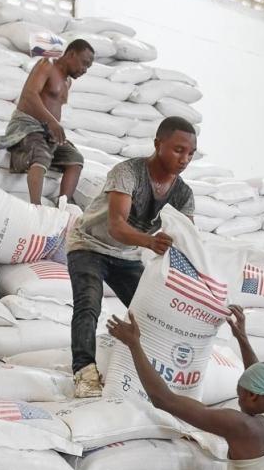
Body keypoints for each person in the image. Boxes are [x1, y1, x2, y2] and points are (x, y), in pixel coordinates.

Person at [107, 306, 264, 470]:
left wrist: (134, 345)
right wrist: (242, 338)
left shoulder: (245, 428)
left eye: (239, 397)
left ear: (252, 395)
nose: (239, 404)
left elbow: (164, 399)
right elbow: (263, 383)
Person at [67, 116, 197, 397]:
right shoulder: (128, 172)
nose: (184, 159)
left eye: (190, 153)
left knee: (154, 311)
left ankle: (148, 371)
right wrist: (151, 242)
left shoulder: (183, 194)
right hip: (89, 244)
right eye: (178, 150)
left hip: (127, 255)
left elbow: (187, 239)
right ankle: (84, 372)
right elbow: (116, 225)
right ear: (157, 144)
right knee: (89, 302)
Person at [0, 39, 95, 205]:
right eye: (84, 63)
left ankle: (63, 208)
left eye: (89, 67)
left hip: (48, 131)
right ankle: (36, 209)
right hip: (27, 125)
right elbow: (29, 95)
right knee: (41, 155)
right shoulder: (47, 65)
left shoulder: (68, 82)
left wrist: (52, 127)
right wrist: (52, 122)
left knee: (75, 158)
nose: (85, 70)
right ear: (71, 54)